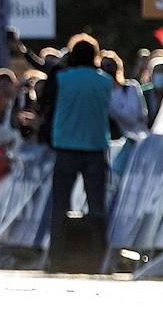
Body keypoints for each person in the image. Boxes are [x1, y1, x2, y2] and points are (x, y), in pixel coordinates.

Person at [46, 34, 114, 272]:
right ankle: (99, 256)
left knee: (59, 205)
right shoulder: (105, 81)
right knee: (97, 205)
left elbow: (47, 103)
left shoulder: (62, 78)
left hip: (65, 146)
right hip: (95, 147)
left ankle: (55, 257)